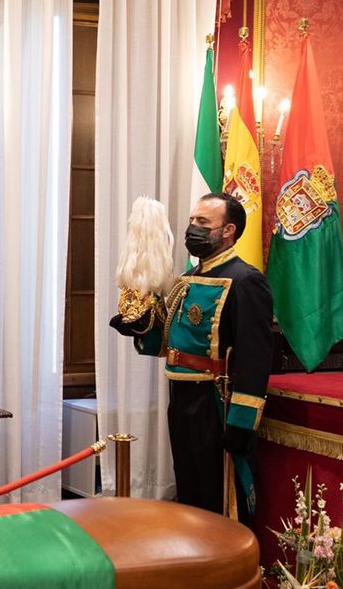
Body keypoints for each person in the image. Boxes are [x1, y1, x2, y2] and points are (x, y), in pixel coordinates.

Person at [109, 192, 273, 515]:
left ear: (228, 230)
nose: (193, 228)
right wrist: (141, 324)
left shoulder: (246, 281)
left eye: (203, 222)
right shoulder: (186, 280)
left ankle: (225, 560)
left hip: (215, 403)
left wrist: (242, 422)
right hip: (181, 397)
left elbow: (256, 359)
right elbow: (167, 344)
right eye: (192, 221)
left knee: (217, 494)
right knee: (189, 491)